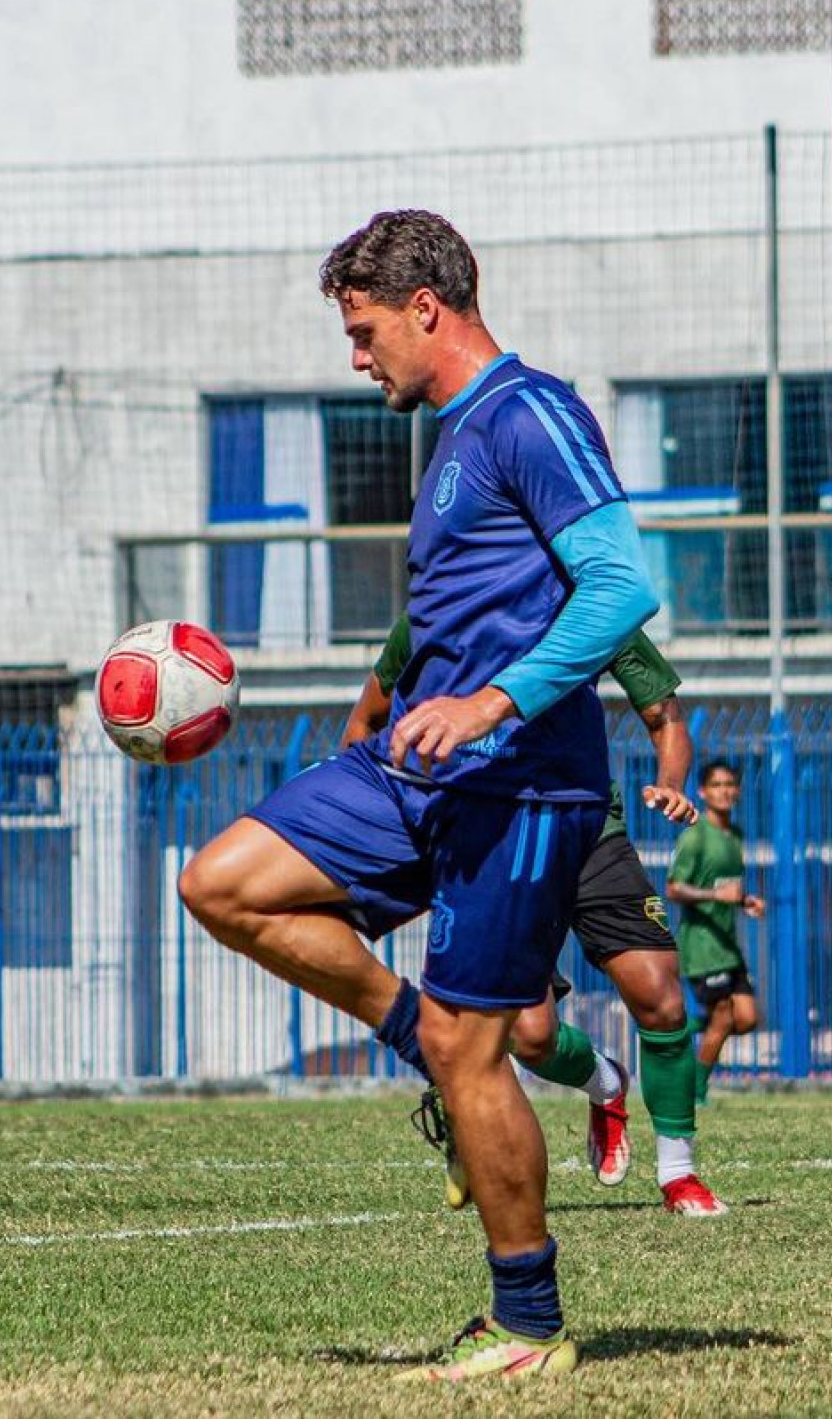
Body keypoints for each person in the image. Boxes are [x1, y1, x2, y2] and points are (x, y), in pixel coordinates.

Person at [179, 209, 657, 1381]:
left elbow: (622, 587)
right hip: (412, 770)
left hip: (521, 784)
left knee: (474, 1043)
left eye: (364, 331)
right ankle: (420, 1047)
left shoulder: (532, 412)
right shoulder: (452, 435)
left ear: (426, 308)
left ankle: (528, 1324)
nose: (357, 357)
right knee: (221, 885)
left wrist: (493, 703)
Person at [344, 616, 726, 1218]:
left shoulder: (590, 605)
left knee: (660, 995)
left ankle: (679, 1174)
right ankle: (604, 1083)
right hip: (493, 842)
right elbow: (365, 721)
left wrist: (671, 783)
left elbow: (665, 717)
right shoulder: (434, 612)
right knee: (530, 1036)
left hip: (587, 825)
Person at [667, 760, 765, 1105]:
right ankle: (695, 1092)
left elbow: (727, 887)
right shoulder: (695, 836)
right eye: (716, 785)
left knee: (747, 1019)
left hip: (728, 945)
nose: (724, 791)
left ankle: (687, 1028)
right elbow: (674, 888)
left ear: (737, 791)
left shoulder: (734, 835)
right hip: (702, 946)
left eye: (729, 785)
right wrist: (714, 896)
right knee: (723, 1015)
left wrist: (745, 901)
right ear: (702, 792)